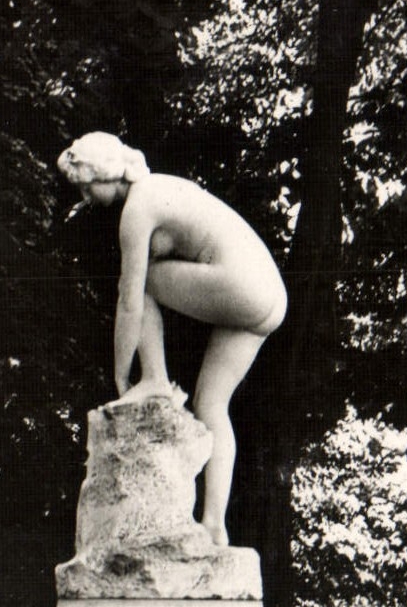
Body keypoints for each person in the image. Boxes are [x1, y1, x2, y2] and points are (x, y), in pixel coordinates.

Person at [58, 132, 287, 546]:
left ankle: (155, 379)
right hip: (269, 296)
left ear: (106, 173)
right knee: (211, 403)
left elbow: (130, 301)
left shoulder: (138, 208)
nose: (86, 195)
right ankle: (215, 524)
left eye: (86, 184)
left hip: (247, 285)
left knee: (142, 281)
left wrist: (120, 376)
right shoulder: (159, 188)